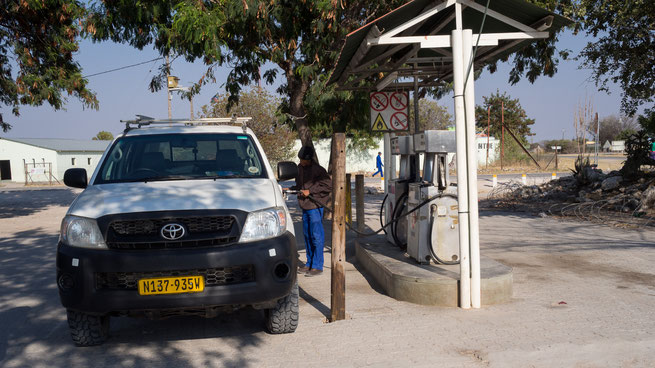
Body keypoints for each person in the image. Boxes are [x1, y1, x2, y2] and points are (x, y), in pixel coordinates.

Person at [287, 146, 332, 277]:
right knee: (307, 235)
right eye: (300, 159)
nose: (301, 162)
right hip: (304, 206)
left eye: (303, 160)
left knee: (316, 235)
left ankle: (317, 266)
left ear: (309, 159)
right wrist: (290, 188)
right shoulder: (300, 168)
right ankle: (309, 263)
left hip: (315, 206)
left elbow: (328, 185)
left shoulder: (318, 170)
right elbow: (300, 185)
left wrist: (311, 192)